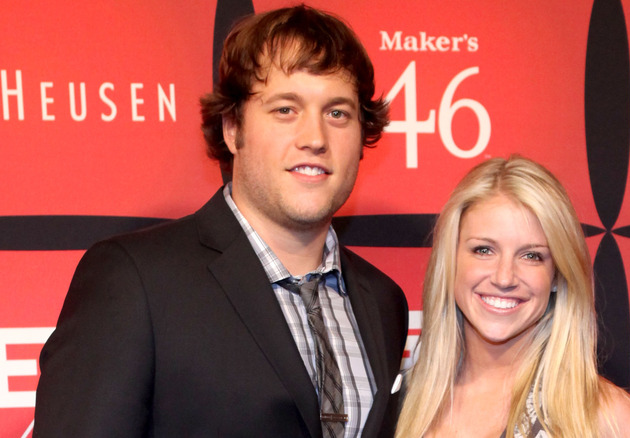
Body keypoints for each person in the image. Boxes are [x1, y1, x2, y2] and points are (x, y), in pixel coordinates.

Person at [34, 5, 408, 438]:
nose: (315, 138)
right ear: (233, 129)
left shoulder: (382, 302)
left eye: (337, 113)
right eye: (286, 109)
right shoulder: (134, 280)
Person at [395, 156, 630, 437]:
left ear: (558, 275)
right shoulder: (400, 401)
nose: (504, 277)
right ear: (450, 261)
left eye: (532, 256)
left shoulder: (604, 417)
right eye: (484, 250)